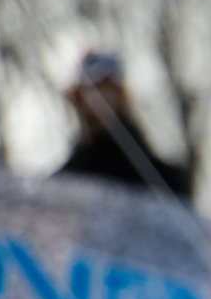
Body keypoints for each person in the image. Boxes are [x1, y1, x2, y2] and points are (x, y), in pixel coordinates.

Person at [55, 50, 192, 201]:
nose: (102, 98)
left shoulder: (161, 176)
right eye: (94, 89)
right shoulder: (67, 179)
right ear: (78, 99)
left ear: (123, 95)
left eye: (109, 88)